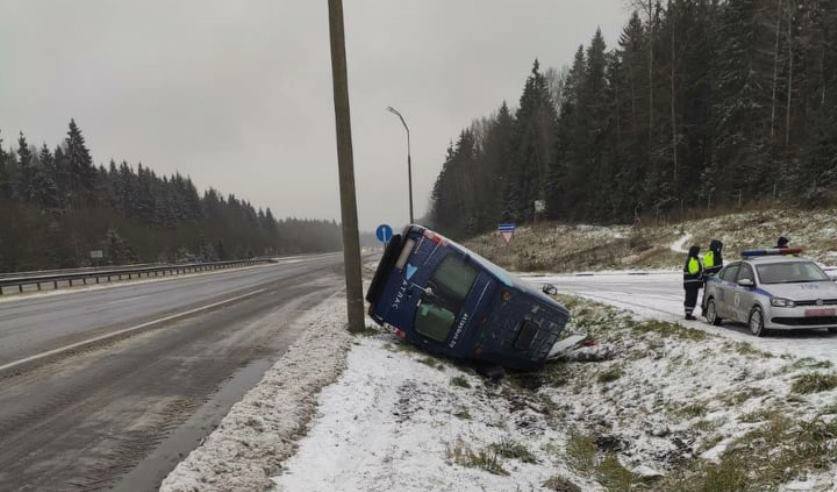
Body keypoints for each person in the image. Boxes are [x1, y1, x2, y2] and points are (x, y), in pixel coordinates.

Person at [683, 245, 703, 320]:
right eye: (697, 251)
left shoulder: (691, 259)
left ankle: (688, 313)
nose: (698, 253)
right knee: (691, 298)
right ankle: (688, 314)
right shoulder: (692, 259)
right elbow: (694, 271)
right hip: (692, 283)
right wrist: (701, 275)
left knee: (690, 298)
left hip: (690, 283)